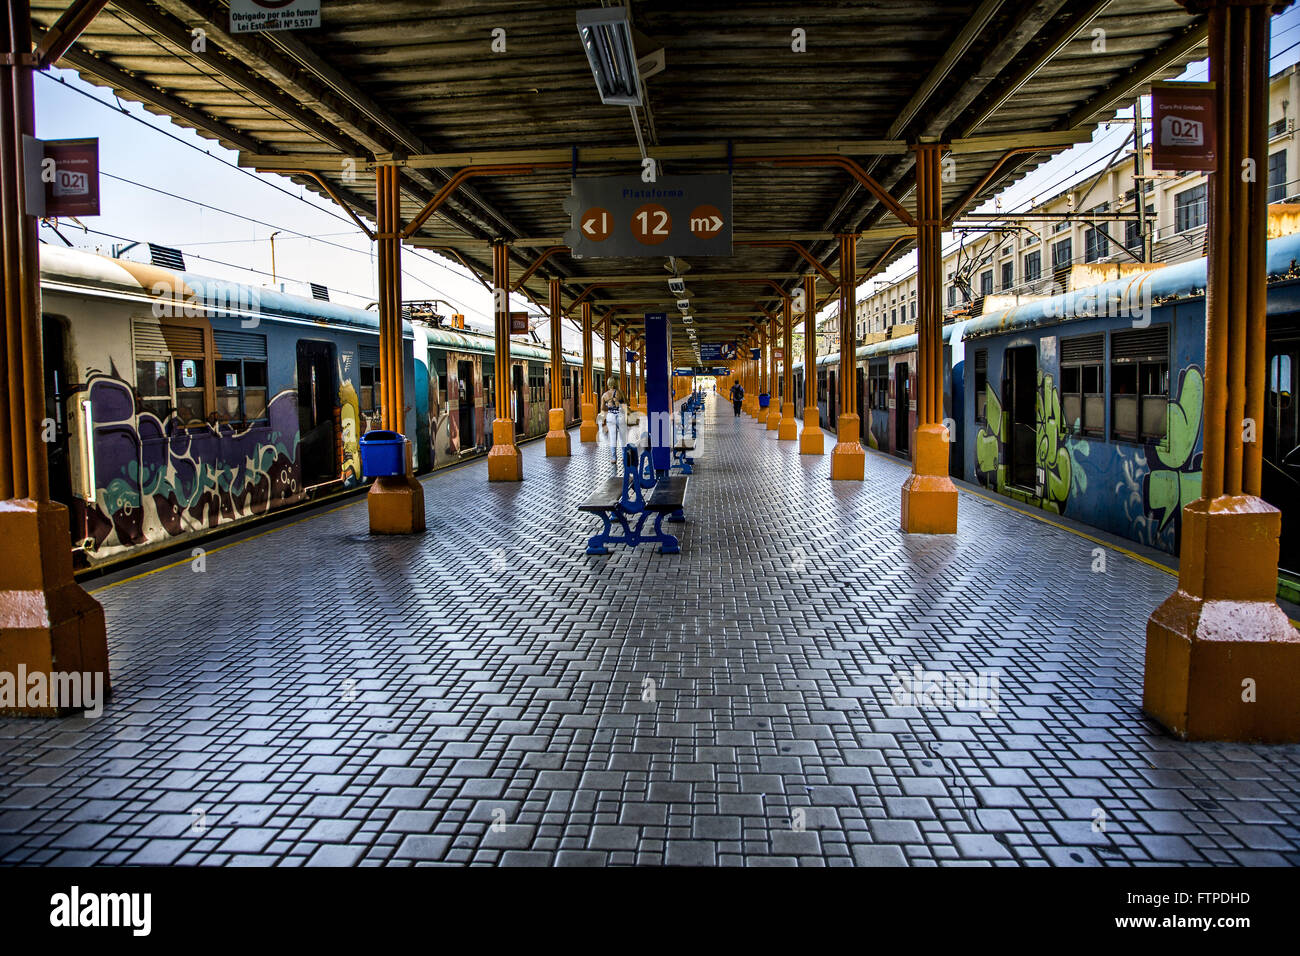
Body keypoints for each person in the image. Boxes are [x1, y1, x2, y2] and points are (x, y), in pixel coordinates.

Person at [600, 382, 624, 463]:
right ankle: (624, 456)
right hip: (620, 415)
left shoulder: (605, 395)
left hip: (610, 416)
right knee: (622, 437)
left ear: (608, 384)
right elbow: (626, 404)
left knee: (613, 438)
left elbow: (602, 408)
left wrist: (609, 406)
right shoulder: (620, 392)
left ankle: (614, 458)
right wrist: (618, 403)